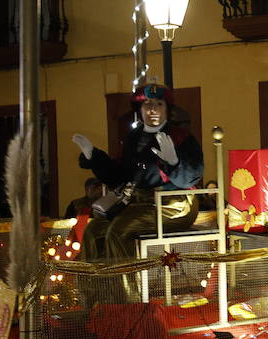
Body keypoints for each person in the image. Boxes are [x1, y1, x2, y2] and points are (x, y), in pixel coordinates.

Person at [72, 83, 204, 260]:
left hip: (174, 205)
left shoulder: (180, 136)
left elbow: (192, 177)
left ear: (167, 109)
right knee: (93, 231)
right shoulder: (133, 138)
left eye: (159, 104)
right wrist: (93, 156)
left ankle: (127, 287)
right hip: (138, 204)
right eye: (147, 104)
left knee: (118, 231)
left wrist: (174, 162)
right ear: (140, 109)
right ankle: (95, 286)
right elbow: (119, 176)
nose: (153, 109)